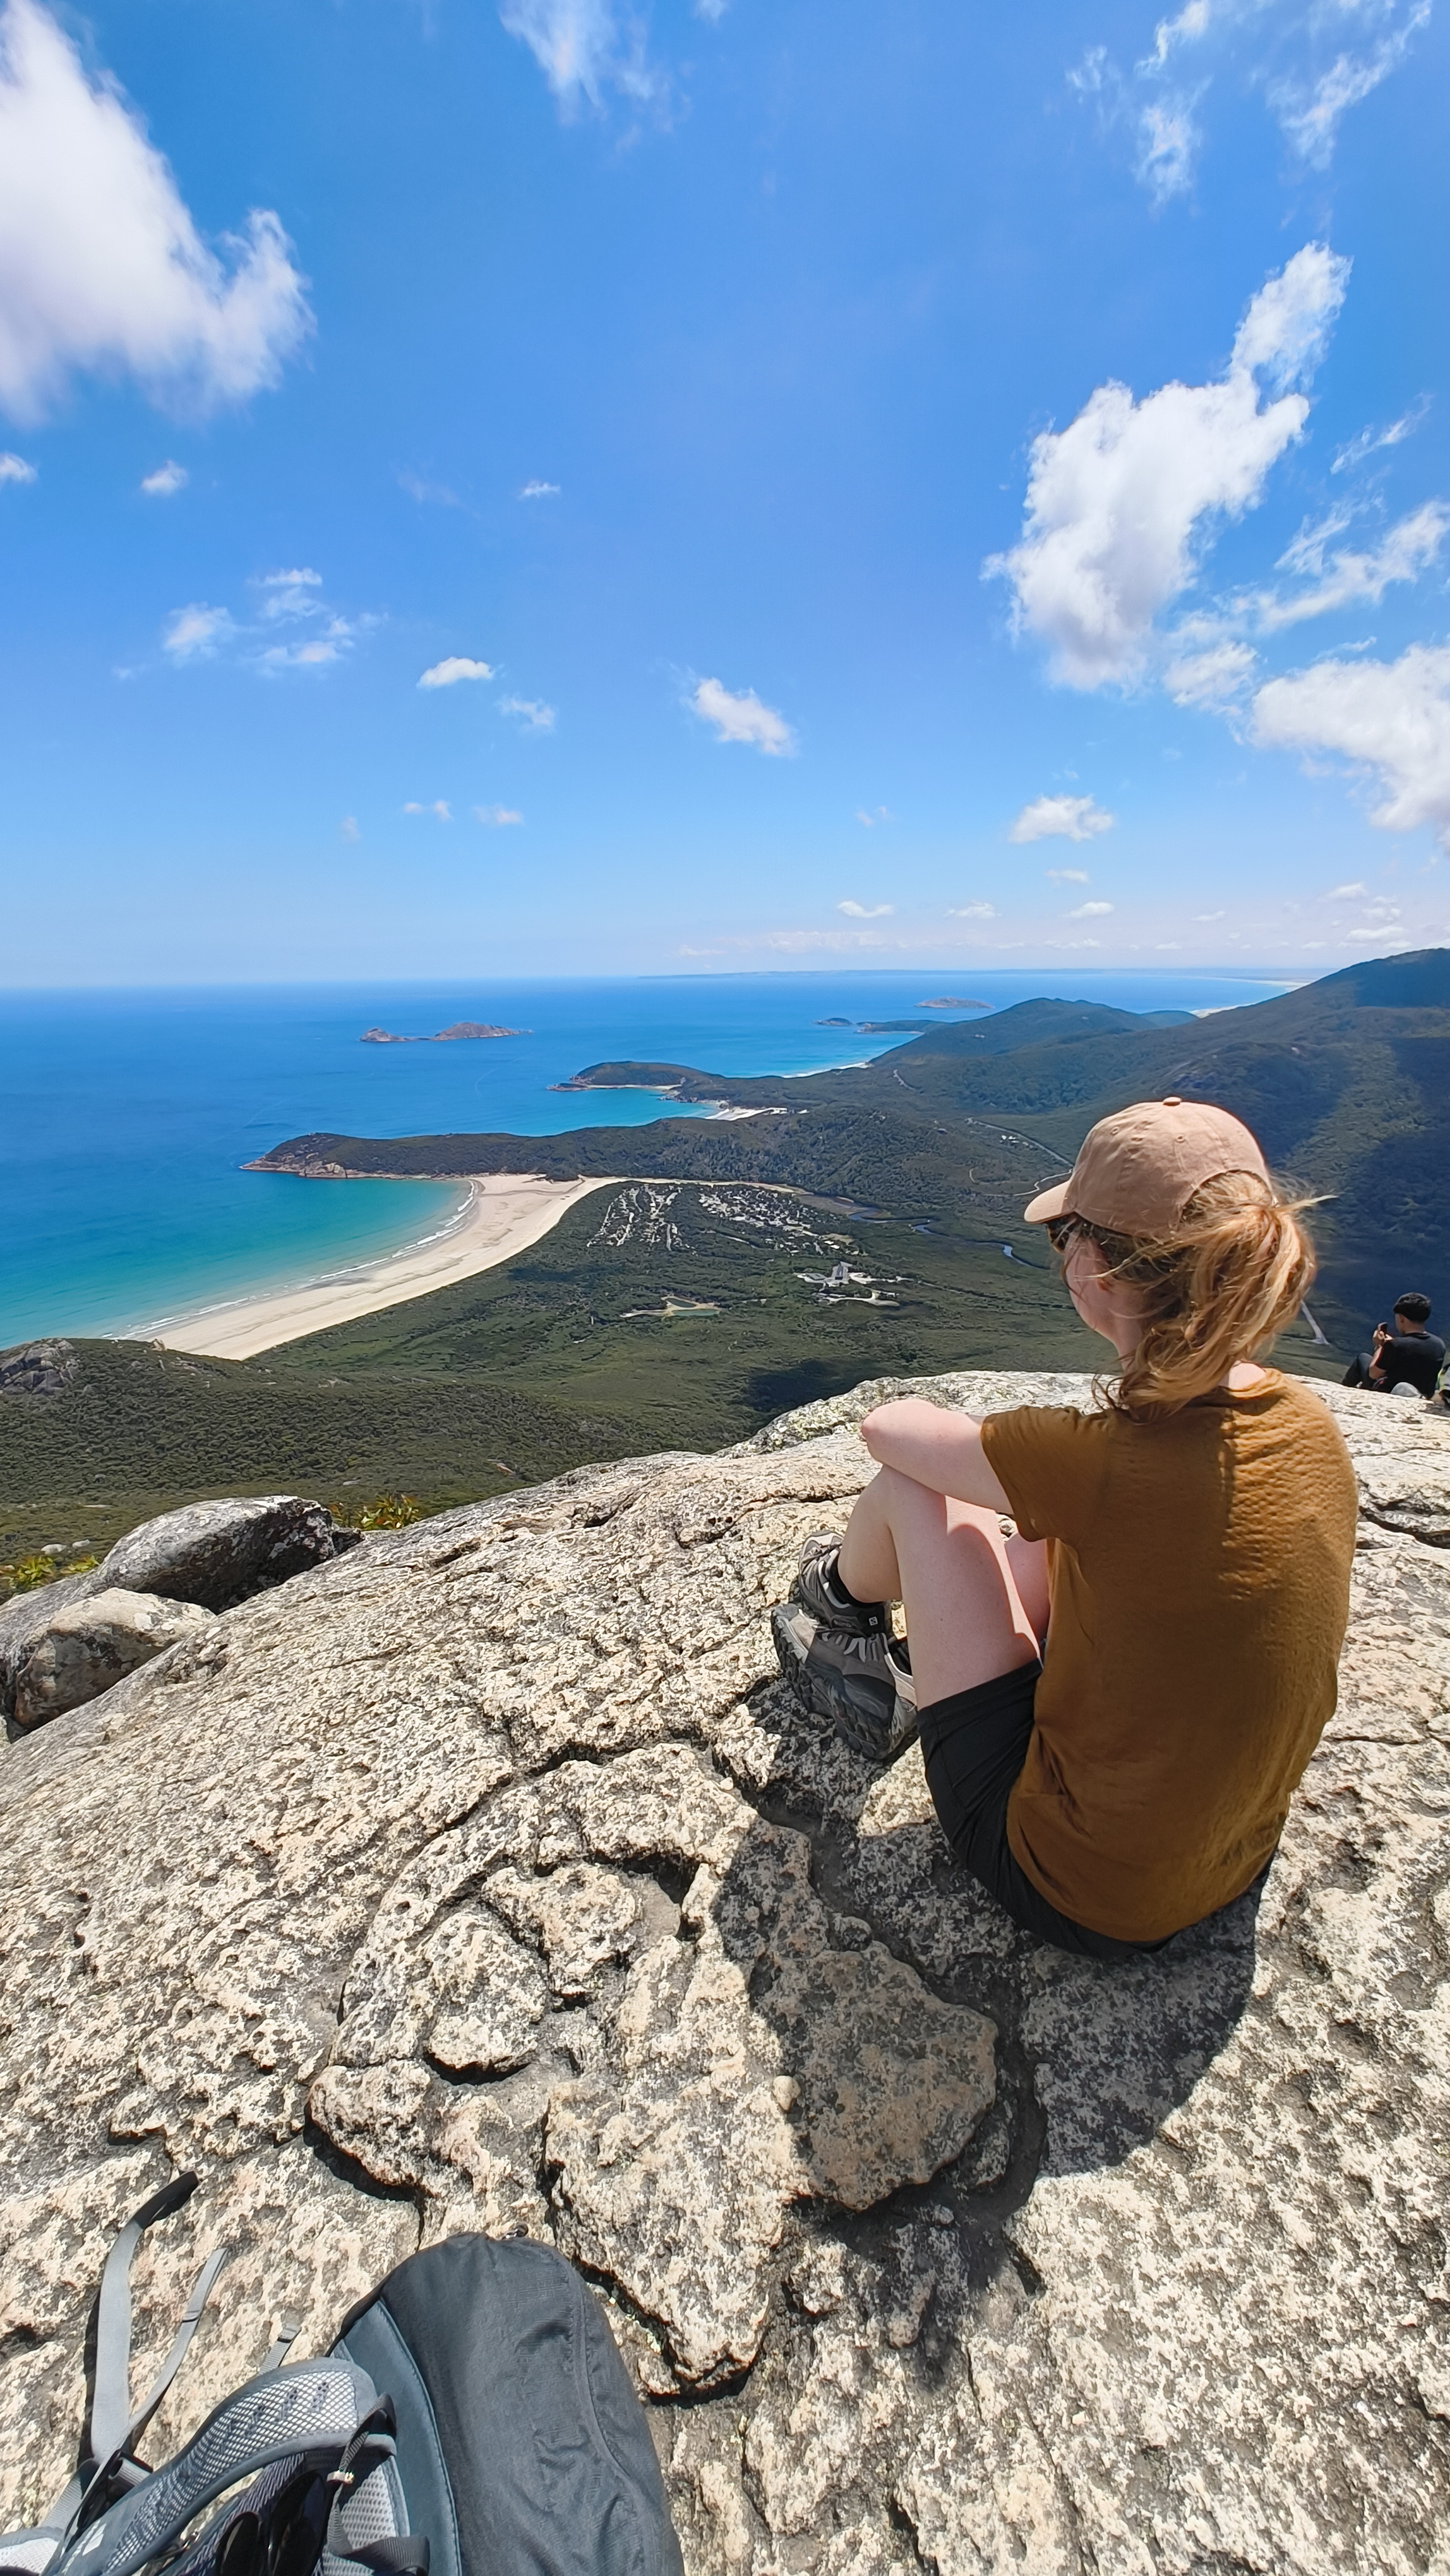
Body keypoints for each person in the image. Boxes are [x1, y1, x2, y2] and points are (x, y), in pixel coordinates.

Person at [772, 1096, 1359, 1962]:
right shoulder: (1307, 1425)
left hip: (1075, 1886)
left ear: (1100, 1275)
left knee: (917, 1491)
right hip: (1228, 1857)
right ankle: (905, 1644)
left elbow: (888, 1431)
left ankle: (844, 1625)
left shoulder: (1104, 1464)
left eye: (1065, 1239)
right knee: (1041, 1531)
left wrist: (989, 1449)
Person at [1341, 1292, 1446, 1399]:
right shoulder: (1439, 1345)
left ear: (1401, 1319)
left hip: (1387, 1393)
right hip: (1424, 1394)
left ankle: (1343, 1394)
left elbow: (1373, 1373)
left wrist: (1380, 1346)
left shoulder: (1396, 1345)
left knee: (1362, 1358)